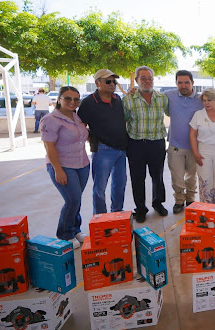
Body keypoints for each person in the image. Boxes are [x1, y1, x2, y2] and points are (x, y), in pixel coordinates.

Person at [40, 86, 89, 249]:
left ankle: (75, 229)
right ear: (59, 99)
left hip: (82, 164)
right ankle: (65, 234)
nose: (72, 102)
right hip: (63, 166)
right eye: (68, 98)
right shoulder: (50, 120)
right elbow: (49, 147)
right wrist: (58, 170)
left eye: (76, 99)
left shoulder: (77, 117)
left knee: (76, 200)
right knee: (72, 200)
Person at [123, 66, 169, 223]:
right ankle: (141, 208)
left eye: (150, 78)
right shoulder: (128, 99)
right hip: (136, 144)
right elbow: (123, 121)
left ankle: (158, 203)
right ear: (136, 80)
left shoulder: (162, 98)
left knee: (158, 176)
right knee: (137, 178)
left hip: (157, 143)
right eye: (143, 78)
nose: (147, 81)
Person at [77, 69, 128, 215]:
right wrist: (94, 140)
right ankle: (100, 218)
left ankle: (117, 214)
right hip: (103, 151)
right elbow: (81, 127)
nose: (112, 84)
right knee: (100, 188)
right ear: (97, 83)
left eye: (114, 81)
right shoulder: (89, 102)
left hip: (121, 150)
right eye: (108, 81)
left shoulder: (117, 99)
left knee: (120, 185)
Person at [166, 70, 203, 214]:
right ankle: (179, 200)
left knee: (192, 176)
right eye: (180, 83)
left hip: (195, 147)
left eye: (186, 82)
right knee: (177, 176)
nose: (183, 86)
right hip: (175, 146)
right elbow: (151, 95)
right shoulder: (169, 95)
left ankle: (191, 199)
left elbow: (214, 105)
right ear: (176, 83)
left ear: (192, 83)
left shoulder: (201, 99)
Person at [189, 87, 215, 203]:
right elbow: (192, 135)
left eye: (209, 100)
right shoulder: (198, 114)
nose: (206, 103)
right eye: (204, 100)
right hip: (204, 151)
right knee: (205, 180)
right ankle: (205, 207)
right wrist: (195, 153)